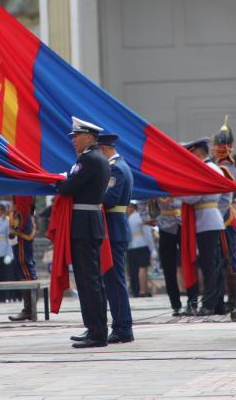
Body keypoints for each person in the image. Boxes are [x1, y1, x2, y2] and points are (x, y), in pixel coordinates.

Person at [59, 117, 111, 349]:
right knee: (90, 280)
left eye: (76, 136)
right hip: (89, 223)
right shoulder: (96, 158)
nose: (73, 141)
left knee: (88, 280)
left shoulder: (89, 159)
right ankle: (94, 327)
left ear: (89, 137)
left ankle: (97, 332)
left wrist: (61, 180)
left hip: (84, 224)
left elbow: (69, 187)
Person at [179, 138, 226, 316]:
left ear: (198, 152)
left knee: (209, 265)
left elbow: (193, 197)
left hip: (207, 220)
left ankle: (209, 303)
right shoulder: (211, 167)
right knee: (211, 264)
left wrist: (178, 191)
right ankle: (216, 303)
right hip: (206, 219)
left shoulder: (207, 168)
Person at [96, 132, 134, 343]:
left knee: (115, 281)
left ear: (103, 149)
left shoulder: (116, 168)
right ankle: (121, 325)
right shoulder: (120, 166)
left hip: (114, 228)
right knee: (113, 280)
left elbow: (109, 199)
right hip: (115, 227)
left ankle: (123, 327)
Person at [138, 197, 194, 316]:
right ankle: (175, 305)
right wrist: (145, 217)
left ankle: (192, 302)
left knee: (190, 263)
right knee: (168, 268)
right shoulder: (159, 179)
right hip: (165, 225)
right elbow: (142, 197)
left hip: (184, 222)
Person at [212, 117, 236, 306]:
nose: (215, 148)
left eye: (218, 144)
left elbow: (224, 199)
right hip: (224, 216)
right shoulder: (225, 165)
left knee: (229, 258)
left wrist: (217, 219)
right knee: (225, 257)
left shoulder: (225, 167)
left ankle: (233, 297)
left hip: (225, 217)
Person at [8, 195, 38, 321]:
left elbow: (22, 209)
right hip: (23, 227)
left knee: (25, 266)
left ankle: (28, 310)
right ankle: (29, 309)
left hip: (22, 229)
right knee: (25, 267)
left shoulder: (22, 187)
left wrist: (15, 229)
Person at [126, 201, 156, 298]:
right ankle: (143, 290)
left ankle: (136, 289)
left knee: (134, 269)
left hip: (131, 246)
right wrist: (152, 248)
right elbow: (147, 233)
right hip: (142, 244)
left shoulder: (129, 218)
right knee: (143, 268)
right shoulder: (140, 216)